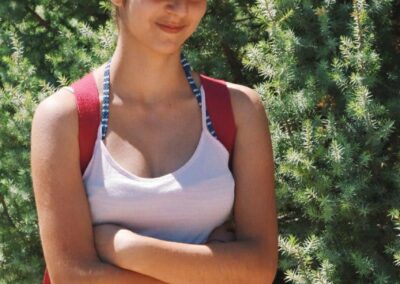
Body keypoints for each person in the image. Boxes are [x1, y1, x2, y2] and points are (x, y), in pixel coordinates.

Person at [31, 0, 278, 283]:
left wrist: (126, 247)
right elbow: (74, 277)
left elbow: (260, 268)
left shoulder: (237, 109)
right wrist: (215, 270)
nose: (180, 9)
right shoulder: (66, 118)